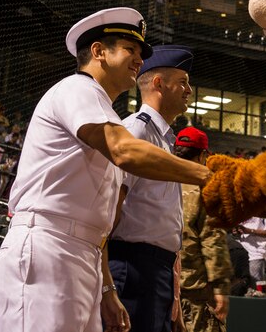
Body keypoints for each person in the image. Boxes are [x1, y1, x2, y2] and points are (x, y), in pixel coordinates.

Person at [0, 8, 210, 332]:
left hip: (85, 255)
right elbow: (122, 150)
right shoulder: (77, 88)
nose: (138, 59)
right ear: (98, 52)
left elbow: (105, 222)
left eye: (140, 52)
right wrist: (207, 175)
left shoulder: (108, 114)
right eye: (130, 49)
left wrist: (106, 289)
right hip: (47, 243)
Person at [108, 45, 195, 332]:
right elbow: (111, 212)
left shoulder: (165, 138)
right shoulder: (136, 130)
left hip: (159, 271)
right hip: (132, 267)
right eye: (182, 82)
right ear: (159, 84)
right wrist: (107, 285)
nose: (189, 90)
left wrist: (175, 295)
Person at [176, 127, 233, 332]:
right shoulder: (204, 188)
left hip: (162, 284)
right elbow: (213, 241)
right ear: (203, 155)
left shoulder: (159, 182)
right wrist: (220, 288)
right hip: (196, 291)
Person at [237, 217, 266, 285]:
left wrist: (250, 231)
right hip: (241, 251)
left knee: (256, 287)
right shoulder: (242, 209)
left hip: (256, 253)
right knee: (241, 286)